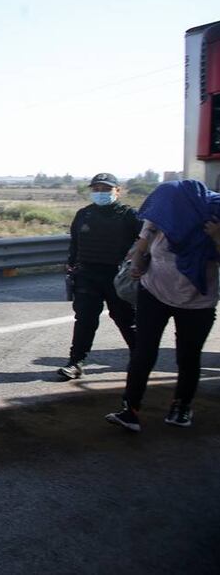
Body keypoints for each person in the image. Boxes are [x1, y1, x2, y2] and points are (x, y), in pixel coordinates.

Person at [105, 180, 220, 432]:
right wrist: (137, 265)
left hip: (197, 301)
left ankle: (181, 407)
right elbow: (142, 247)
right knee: (143, 352)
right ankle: (130, 409)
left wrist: (216, 236)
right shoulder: (161, 217)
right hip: (154, 292)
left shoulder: (213, 218)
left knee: (188, 357)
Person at [57, 172, 141, 379]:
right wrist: (71, 265)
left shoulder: (130, 215)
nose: (100, 193)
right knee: (84, 319)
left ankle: (141, 359)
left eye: (106, 189)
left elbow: (144, 241)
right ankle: (75, 362)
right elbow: (75, 244)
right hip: (87, 275)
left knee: (125, 319)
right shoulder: (84, 214)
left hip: (118, 276)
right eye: (96, 189)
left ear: (117, 191)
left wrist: (137, 264)